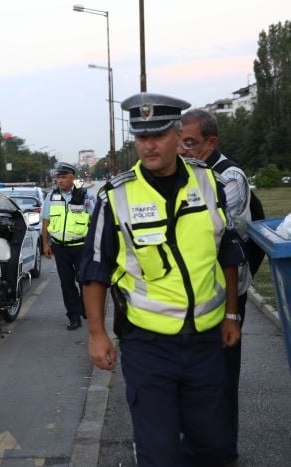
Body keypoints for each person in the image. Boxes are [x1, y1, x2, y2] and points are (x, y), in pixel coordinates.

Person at [78, 92, 245, 466]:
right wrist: (97, 334)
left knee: (216, 447)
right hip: (148, 345)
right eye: (140, 138)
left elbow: (228, 253)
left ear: (175, 135)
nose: (148, 146)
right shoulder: (115, 197)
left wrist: (232, 315)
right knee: (160, 454)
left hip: (206, 341)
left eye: (157, 136)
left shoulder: (209, 184)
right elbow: (95, 271)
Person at [179, 109, 252, 465]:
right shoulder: (186, 175)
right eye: (180, 142)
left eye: (190, 143)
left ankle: (225, 453)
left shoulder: (229, 176)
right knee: (193, 381)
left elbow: (217, 233)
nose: (183, 150)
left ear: (212, 142)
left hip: (226, 297)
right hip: (189, 298)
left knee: (222, 381)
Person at [41, 162, 95, 330]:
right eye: (58, 177)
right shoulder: (51, 197)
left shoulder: (85, 196)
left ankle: (86, 308)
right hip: (60, 248)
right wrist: (45, 244)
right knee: (66, 283)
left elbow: (95, 222)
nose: (60, 181)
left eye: (64, 177)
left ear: (73, 178)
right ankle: (73, 316)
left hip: (81, 247)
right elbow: (46, 221)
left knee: (84, 281)